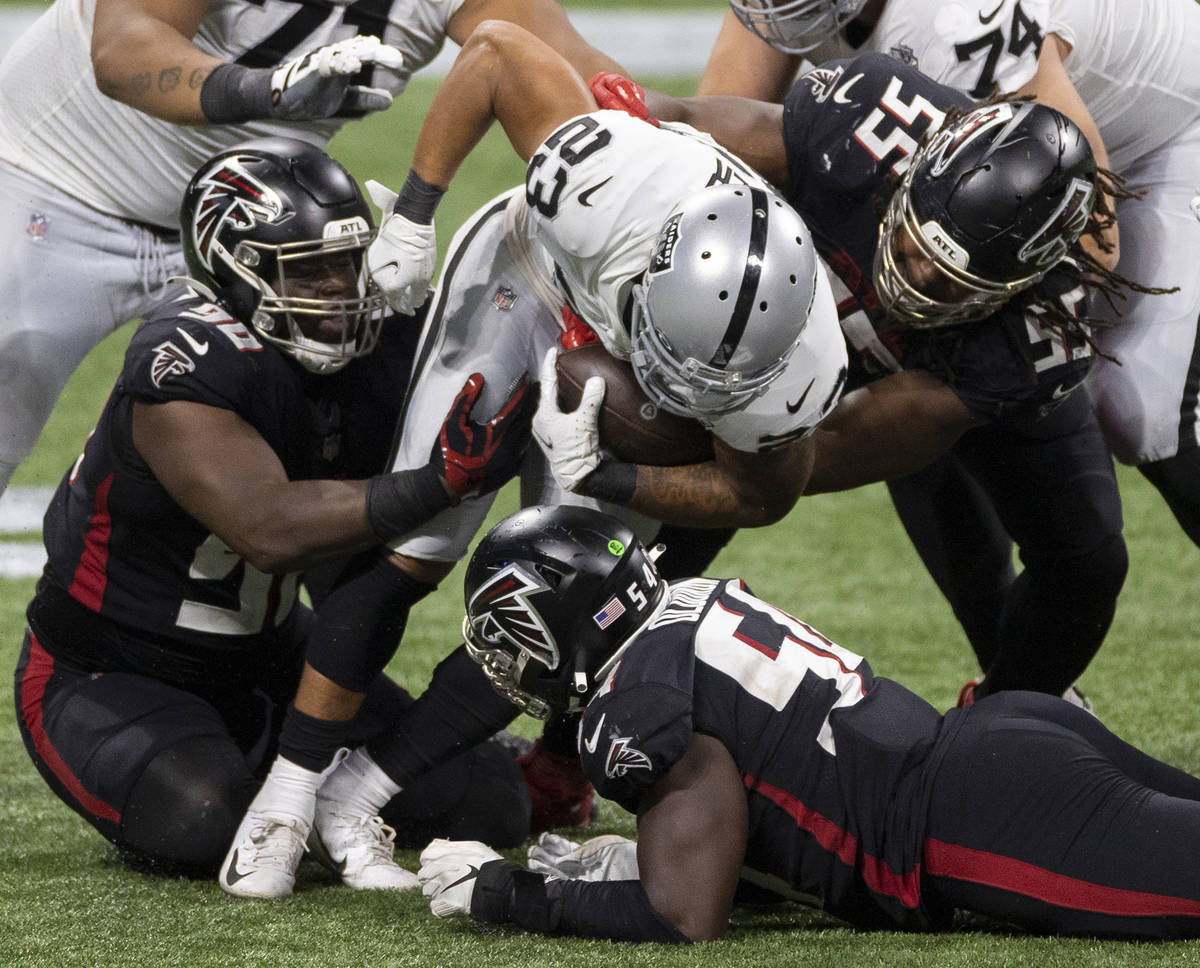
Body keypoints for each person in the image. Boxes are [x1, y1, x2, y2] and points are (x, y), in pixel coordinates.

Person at [224, 17, 849, 889]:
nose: (669, 380)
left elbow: (762, 495)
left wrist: (612, 474)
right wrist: (412, 214)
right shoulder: (614, 191)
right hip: (530, 273)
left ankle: (358, 793)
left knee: (571, 603)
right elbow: (495, 50)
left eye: (702, 381)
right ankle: (286, 798)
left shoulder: (800, 374)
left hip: (616, 359)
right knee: (419, 535)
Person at [11, 138, 534, 895]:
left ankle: (288, 774)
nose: (338, 289)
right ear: (235, 270)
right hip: (108, 669)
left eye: (347, 261)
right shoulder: (184, 362)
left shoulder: (368, 344)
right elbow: (269, 528)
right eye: (307, 270)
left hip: (269, 656)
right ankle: (265, 776)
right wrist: (438, 482)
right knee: (204, 817)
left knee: (491, 800)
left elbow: (347, 568)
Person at [698, 0, 1200, 693]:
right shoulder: (785, 10)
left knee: (1142, 413)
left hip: (1160, 130)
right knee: (889, 347)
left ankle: (1023, 697)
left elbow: (1093, 243)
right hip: (988, 189)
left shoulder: (957, 24)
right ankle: (1011, 695)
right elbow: (706, 159)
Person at [416, 503, 1200, 943]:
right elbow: (769, 809)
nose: (505, 662)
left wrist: (507, 893)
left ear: (562, 625)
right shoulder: (687, 603)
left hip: (977, 816)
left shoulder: (634, 709)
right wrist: (636, 856)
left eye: (511, 637)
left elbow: (685, 916)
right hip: (1003, 742)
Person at [0, 0, 627, 498]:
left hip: (257, 241)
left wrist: (690, 138)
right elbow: (122, 47)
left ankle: (315, 655)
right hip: (43, 185)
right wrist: (264, 90)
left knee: (329, 450)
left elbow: (580, 85)